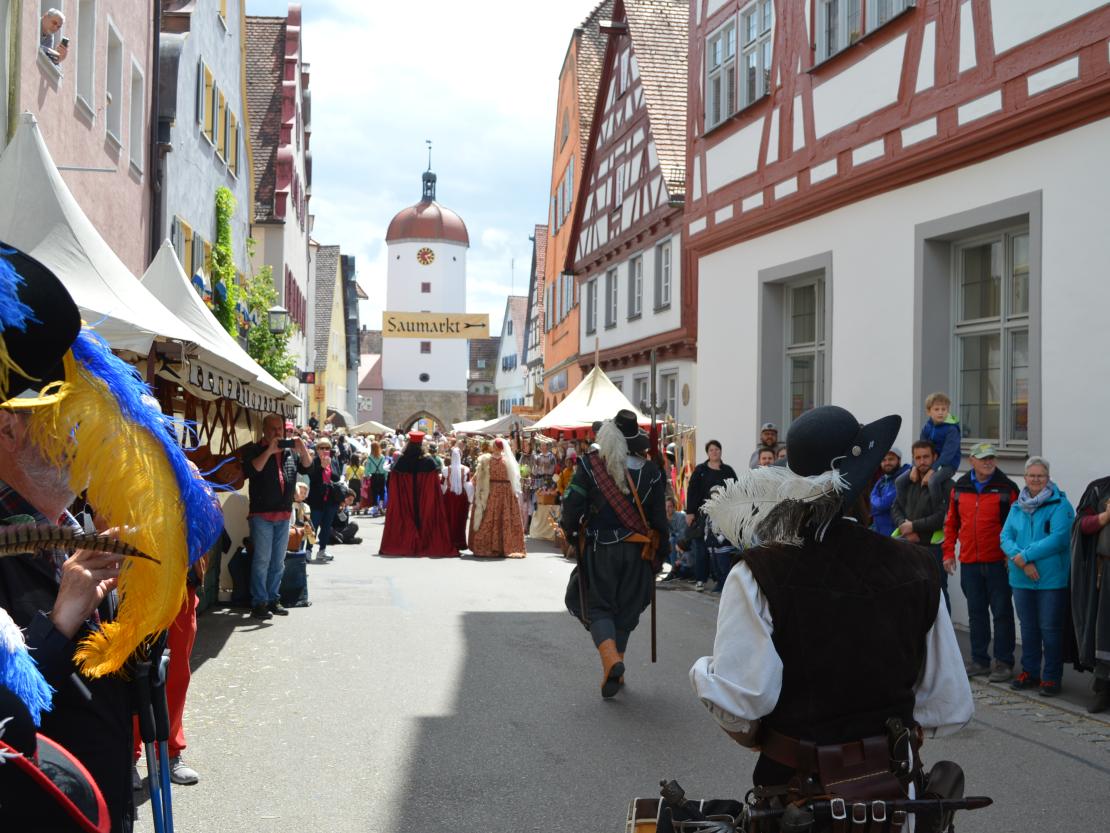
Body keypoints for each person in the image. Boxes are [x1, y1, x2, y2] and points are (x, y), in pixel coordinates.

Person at [0, 245, 222, 832]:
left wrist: (135, 630)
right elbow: (6, 721)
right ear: (10, 426)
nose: (88, 440)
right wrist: (63, 618)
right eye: (71, 419)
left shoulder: (72, 526)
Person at [690, 405, 972, 807]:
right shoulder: (918, 567)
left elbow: (742, 705)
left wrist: (701, 674)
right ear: (868, 479)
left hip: (795, 795)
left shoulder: (758, 572)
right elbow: (946, 703)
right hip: (892, 793)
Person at [561, 410, 669, 698]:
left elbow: (572, 503)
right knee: (625, 610)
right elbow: (660, 520)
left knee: (599, 607)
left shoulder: (591, 466)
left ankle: (611, 661)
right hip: (639, 552)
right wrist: (662, 555)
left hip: (601, 549)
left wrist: (570, 531)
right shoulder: (653, 472)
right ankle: (615, 666)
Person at [943, 443, 1019, 681]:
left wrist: (1010, 555)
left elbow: (1015, 527)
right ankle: (979, 660)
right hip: (970, 561)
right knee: (976, 613)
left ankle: (1004, 663)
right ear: (972, 461)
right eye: (983, 458)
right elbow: (951, 523)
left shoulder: (1007, 488)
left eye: (991, 458)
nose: (988, 462)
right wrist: (948, 553)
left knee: (1002, 613)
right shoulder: (960, 488)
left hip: (998, 562)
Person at [1000, 457, 1073, 697]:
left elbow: (1059, 538)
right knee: (1029, 628)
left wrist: (1025, 556)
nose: (1035, 479)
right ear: (1025, 477)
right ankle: (1030, 672)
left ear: (1048, 478)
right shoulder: (1016, 506)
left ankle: (1051, 677)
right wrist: (1022, 559)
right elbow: (1005, 537)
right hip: (1021, 578)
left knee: (1050, 629)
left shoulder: (1061, 505)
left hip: (1051, 579)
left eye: (1040, 475)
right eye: (1031, 475)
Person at [242, 415, 312, 617]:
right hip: (262, 514)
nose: (277, 432)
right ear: (264, 430)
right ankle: (259, 603)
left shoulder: (290, 452)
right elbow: (251, 470)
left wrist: (302, 447)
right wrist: (269, 451)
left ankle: (273, 598)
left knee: (278, 561)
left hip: (283, 514)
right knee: (262, 560)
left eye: (280, 428)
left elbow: (309, 467)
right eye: (272, 429)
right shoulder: (255, 449)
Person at [892, 440, 951, 610]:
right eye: (918, 458)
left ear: (935, 457)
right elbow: (895, 508)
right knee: (910, 592)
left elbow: (943, 516)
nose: (922, 461)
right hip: (908, 544)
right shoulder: (908, 481)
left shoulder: (945, 484)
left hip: (933, 549)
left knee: (938, 594)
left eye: (926, 457)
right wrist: (905, 526)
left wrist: (914, 527)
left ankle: (942, 636)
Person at [379, 431, 457, 557]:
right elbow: (434, 486)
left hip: (406, 501)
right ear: (421, 444)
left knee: (407, 516)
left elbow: (394, 483)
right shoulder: (428, 461)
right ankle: (425, 542)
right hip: (424, 500)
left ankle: (406, 541)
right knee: (425, 517)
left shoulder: (401, 461)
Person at [1071, 474, 1110, 713]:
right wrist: (1105, 517)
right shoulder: (1099, 489)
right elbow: (1081, 525)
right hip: (1105, 572)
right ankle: (1103, 688)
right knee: (1104, 631)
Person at [685, 440, 739, 592]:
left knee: (721, 548)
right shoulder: (700, 470)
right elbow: (692, 491)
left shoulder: (727, 470)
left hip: (723, 515)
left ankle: (720, 579)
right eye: (711, 450)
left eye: (717, 449)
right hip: (703, 515)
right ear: (707, 453)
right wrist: (690, 512)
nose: (714, 452)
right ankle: (701, 579)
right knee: (701, 548)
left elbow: (736, 490)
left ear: (721, 451)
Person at [469, 438, 526, 558]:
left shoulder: (486, 460)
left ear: (494, 447)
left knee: (489, 517)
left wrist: (476, 487)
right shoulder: (508, 461)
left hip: (492, 491)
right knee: (505, 518)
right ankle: (505, 546)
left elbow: (477, 478)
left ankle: (487, 546)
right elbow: (514, 479)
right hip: (506, 492)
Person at [305, 436, 344, 564]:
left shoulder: (333, 461)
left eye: (327, 448)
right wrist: (322, 467)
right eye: (322, 448)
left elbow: (337, 477)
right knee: (313, 527)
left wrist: (328, 468)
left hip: (331, 500)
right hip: (316, 500)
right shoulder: (313, 461)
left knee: (326, 527)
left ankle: (322, 550)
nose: (324, 450)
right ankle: (308, 550)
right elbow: (313, 478)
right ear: (317, 449)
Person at [917, 392, 961, 504]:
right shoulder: (928, 426)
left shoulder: (952, 429)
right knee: (901, 480)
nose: (941, 412)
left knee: (933, 481)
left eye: (944, 409)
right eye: (936, 409)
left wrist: (932, 470)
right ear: (929, 411)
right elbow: (920, 447)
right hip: (932, 462)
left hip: (948, 465)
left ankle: (938, 510)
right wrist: (914, 467)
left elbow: (948, 454)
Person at [868, 447, 909, 536]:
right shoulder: (883, 479)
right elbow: (871, 496)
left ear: (899, 460)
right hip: (879, 530)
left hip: (894, 532)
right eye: (884, 460)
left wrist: (876, 505)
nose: (887, 463)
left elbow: (883, 504)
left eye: (891, 459)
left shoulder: (904, 477)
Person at [442, 446, 473, 552]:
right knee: (460, 520)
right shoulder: (466, 469)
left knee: (449, 519)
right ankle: (460, 542)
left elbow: (442, 484)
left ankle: (448, 541)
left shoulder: (446, 470)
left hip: (449, 497)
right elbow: (468, 485)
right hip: (461, 497)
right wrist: (470, 499)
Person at [363, 441, 388, 516]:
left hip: (373, 476)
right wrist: (386, 476)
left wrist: (367, 475)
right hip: (382, 476)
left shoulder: (370, 458)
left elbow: (367, 469)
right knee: (382, 491)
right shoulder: (383, 457)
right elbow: (385, 468)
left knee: (374, 492)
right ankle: (380, 505)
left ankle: (375, 509)